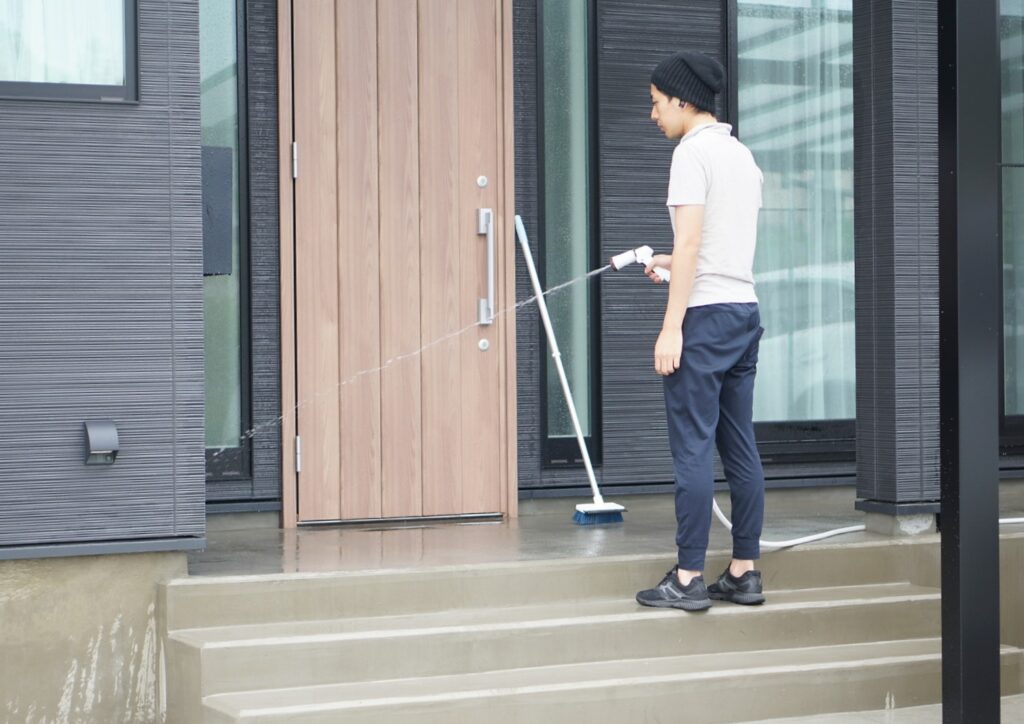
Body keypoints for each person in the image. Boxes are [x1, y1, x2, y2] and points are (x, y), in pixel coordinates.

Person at [634, 51, 767, 612]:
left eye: (657, 103)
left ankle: (689, 577)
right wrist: (670, 261)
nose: (653, 114)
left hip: (706, 318)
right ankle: (744, 571)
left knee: (692, 448)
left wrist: (672, 328)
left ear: (682, 100)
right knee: (740, 445)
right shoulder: (742, 155)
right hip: (743, 311)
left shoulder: (691, 154)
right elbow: (711, 246)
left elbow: (690, 243)